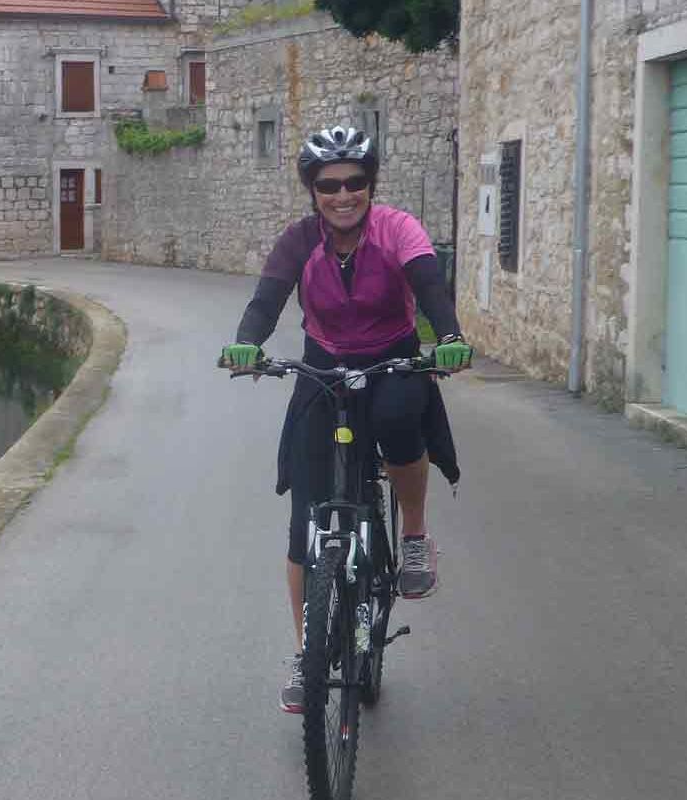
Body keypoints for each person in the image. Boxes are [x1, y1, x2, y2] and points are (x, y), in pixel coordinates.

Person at [219, 126, 474, 715]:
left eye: (354, 183)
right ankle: (307, 653)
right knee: (303, 516)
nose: (342, 195)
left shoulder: (397, 230)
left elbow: (429, 287)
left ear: (370, 186)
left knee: (400, 421)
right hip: (323, 366)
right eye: (328, 184)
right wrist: (246, 345)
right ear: (312, 190)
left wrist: (451, 337)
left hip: (394, 358)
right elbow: (266, 300)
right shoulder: (298, 241)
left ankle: (412, 536)